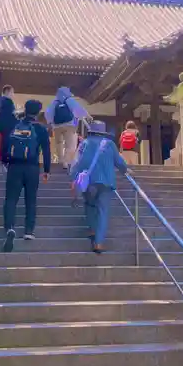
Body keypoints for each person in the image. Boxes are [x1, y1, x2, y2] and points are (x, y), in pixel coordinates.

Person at [70, 121, 128, 253]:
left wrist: (73, 177)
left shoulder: (84, 143)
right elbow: (119, 162)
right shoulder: (110, 144)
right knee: (103, 211)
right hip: (106, 182)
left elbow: (77, 162)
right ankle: (99, 243)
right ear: (103, 132)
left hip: (89, 181)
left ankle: (91, 229)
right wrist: (126, 170)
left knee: (89, 204)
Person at [1, 99, 51, 252]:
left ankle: (9, 228)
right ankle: (29, 231)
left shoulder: (15, 125)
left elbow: (6, 144)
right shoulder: (41, 129)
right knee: (31, 200)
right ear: (38, 112)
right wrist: (47, 170)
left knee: (10, 199)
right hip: (32, 168)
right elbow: (47, 151)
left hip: (14, 166)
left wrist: (5, 161)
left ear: (26, 109)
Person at [45, 87, 90, 170]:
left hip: (57, 126)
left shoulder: (55, 102)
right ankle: (65, 161)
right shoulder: (69, 100)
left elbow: (48, 113)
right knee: (69, 145)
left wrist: (50, 123)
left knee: (59, 143)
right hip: (69, 125)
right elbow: (78, 109)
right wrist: (87, 115)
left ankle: (61, 160)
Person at [0, 85, 18, 161]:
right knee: (6, 143)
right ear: (7, 92)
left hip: (3, 126)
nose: (13, 94)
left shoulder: (1, 101)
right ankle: (4, 158)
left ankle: (2, 157)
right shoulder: (8, 102)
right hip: (8, 126)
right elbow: (11, 114)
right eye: (12, 92)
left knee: (4, 142)